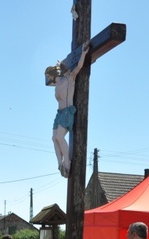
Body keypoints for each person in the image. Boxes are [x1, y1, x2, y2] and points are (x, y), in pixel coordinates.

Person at [46, 41, 90, 178]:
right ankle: (60, 163)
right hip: (59, 113)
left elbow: (79, 67)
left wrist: (83, 53)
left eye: (48, 75)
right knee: (54, 138)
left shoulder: (69, 78)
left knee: (60, 136)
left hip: (67, 111)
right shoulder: (57, 84)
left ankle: (67, 163)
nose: (48, 78)